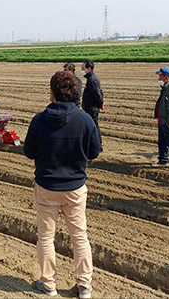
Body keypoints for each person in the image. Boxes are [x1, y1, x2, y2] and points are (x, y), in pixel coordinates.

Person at [24, 71, 101, 299]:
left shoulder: (39, 120)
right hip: (75, 188)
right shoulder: (85, 120)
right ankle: (84, 286)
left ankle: (49, 285)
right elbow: (94, 153)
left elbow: (29, 152)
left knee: (46, 237)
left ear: (52, 93)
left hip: (46, 187)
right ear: (75, 93)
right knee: (79, 236)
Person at [81, 60, 104, 149]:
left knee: (94, 126)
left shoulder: (92, 80)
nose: (81, 70)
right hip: (90, 107)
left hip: (92, 108)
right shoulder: (91, 78)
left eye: (83, 68)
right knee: (92, 126)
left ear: (89, 69)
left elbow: (97, 94)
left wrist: (101, 104)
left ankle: (98, 145)